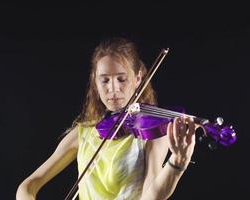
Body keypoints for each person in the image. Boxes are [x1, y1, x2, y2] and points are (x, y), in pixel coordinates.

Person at [16, 37, 196, 200]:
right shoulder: (84, 133)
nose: (113, 89)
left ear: (138, 78)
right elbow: (29, 185)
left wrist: (177, 163)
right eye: (105, 80)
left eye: (121, 79)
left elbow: (152, 197)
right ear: (95, 81)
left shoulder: (152, 135)